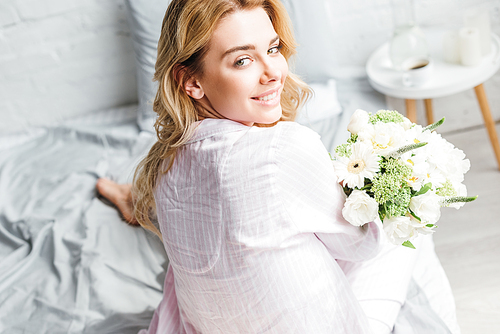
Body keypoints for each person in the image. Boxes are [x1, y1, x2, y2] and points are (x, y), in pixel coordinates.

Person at [97, 0, 444, 333]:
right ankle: (136, 204)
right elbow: (360, 246)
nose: (274, 73)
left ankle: (135, 203)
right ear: (192, 81)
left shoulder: (165, 164)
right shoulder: (284, 149)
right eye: (243, 60)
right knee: (399, 241)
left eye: (274, 49)